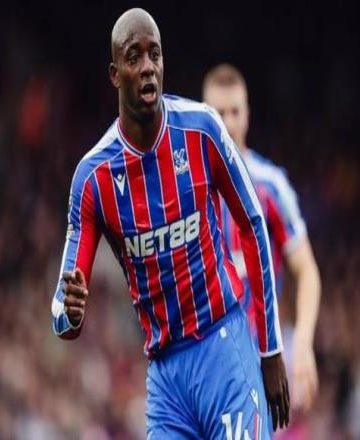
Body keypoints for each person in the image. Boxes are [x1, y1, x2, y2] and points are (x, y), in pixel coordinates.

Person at [51, 8, 289, 439]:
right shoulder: (93, 178)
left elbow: (253, 225)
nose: (147, 67)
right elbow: (62, 314)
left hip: (223, 347)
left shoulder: (202, 129)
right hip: (166, 380)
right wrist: (69, 312)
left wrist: (270, 349)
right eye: (134, 57)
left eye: (154, 55)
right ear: (114, 74)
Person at [203, 64, 321, 414]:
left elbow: (307, 270)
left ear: (248, 115)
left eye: (235, 111)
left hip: (255, 364)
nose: (228, 122)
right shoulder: (186, 187)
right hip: (199, 365)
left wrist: (302, 343)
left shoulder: (270, 186)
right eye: (219, 113)